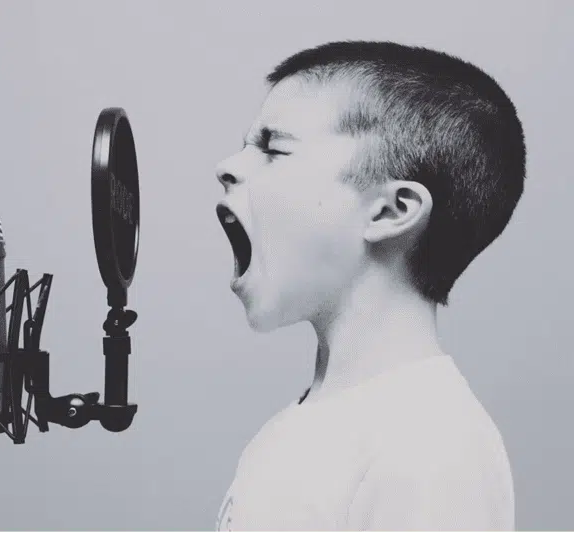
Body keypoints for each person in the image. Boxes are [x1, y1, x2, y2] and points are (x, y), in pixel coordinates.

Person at [214, 40, 524, 532]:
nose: (227, 166)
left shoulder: (432, 444)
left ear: (390, 211)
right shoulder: (294, 430)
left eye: (273, 149)